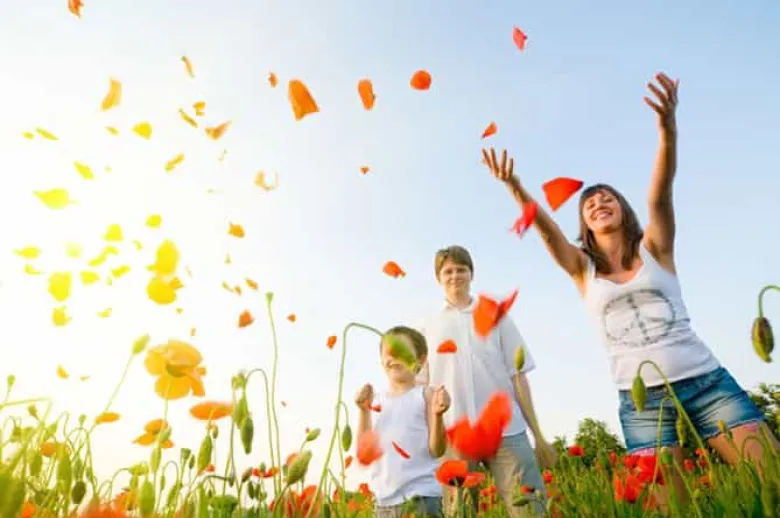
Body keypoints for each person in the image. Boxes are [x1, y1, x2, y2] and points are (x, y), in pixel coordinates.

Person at [482, 72, 779, 493]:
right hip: (642, 403)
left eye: (607, 198)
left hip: (707, 383)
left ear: (623, 208)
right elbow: (547, 231)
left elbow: (660, 194)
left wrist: (667, 130)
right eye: (589, 204)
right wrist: (514, 186)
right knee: (669, 507)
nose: (598, 203)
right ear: (584, 224)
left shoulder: (656, 248)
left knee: (771, 480)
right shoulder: (581, 269)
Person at [415, 245, 553, 518]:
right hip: (455, 434)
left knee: (531, 509)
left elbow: (518, 375)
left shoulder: (496, 315)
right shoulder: (426, 325)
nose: (455, 276)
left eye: (461, 269)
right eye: (448, 271)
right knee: (460, 511)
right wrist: (430, 440)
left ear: (472, 274)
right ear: (438, 277)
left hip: (507, 431)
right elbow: (421, 389)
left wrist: (537, 434)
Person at [356, 325, 451, 518]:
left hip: (421, 498)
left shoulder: (426, 395)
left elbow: (437, 450)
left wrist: (438, 415)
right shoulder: (375, 401)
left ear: (421, 359)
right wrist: (363, 411)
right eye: (388, 352)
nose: (393, 356)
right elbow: (364, 452)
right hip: (383, 504)